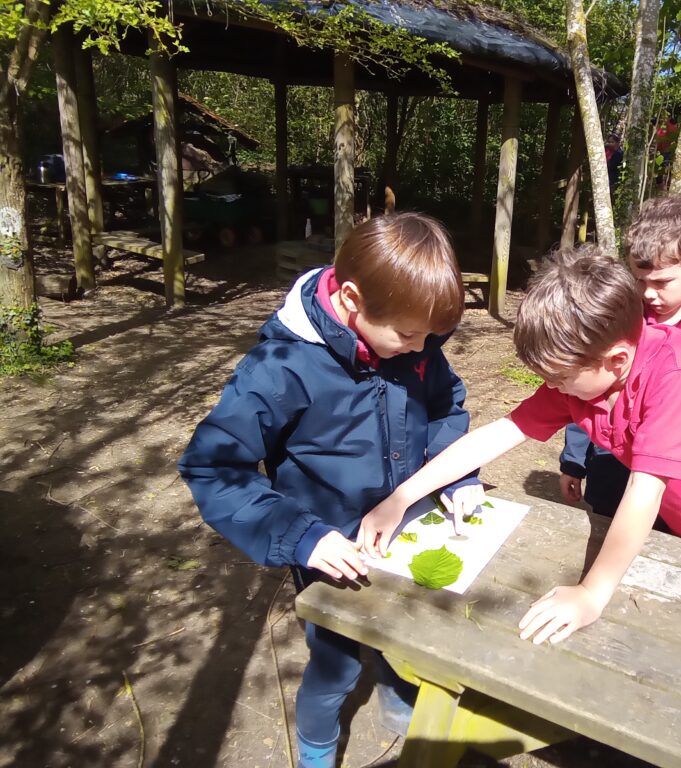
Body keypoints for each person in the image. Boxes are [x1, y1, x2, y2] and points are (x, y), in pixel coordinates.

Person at [357, 247, 681, 646]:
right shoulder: (584, 374)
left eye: (558, 377)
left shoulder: (676, 372)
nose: (552, 387)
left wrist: (592, 592)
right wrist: (401, 498)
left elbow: (646, 490)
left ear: (616, 359)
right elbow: (500, 433)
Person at [178, 213, 484, 768]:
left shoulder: (410, 340)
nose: (422, 347)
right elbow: (212, 467)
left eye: (429, 337)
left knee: (406, 633)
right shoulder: (281, 368)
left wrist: (455, 473)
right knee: (336, 661)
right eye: (410, 336)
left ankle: (397, 700)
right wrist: (301, 536)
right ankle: (317, 749)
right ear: (351, 299)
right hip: (330, 543)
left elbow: (444, 407)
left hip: (405, 528)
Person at [559, 196, 681, 518]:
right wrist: (574, 460)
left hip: (678, 495)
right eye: (639, 279)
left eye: (662, 282)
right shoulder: (623, 318)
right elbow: (588, 390)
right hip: (610, 476)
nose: (648, 293)